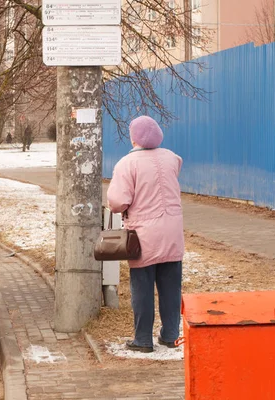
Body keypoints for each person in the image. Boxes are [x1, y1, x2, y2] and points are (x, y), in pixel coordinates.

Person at [107, 115, 184, 353]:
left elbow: (118, 201)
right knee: (171, 287)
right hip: (172, 232)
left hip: (143, 235)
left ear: (134, 138)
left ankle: (143, 339)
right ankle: (171, 335)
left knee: (142, 288)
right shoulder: (172, 158)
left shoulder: (126, 164)